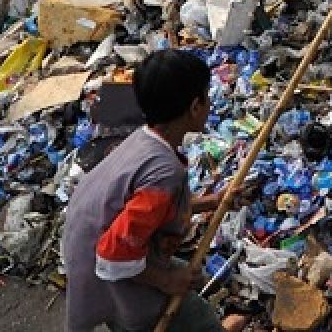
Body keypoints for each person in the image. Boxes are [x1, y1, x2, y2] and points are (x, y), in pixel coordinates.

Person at [63, 49, 223, 332]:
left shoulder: (143, 139)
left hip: (88, 251)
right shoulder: (164, 172)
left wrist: (214, 202)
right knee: (201, 321)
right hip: (107, 268)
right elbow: (113, 254)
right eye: (207, 97)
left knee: (190, 276)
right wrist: (167, 281)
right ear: (195, 107)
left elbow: (152, 207)